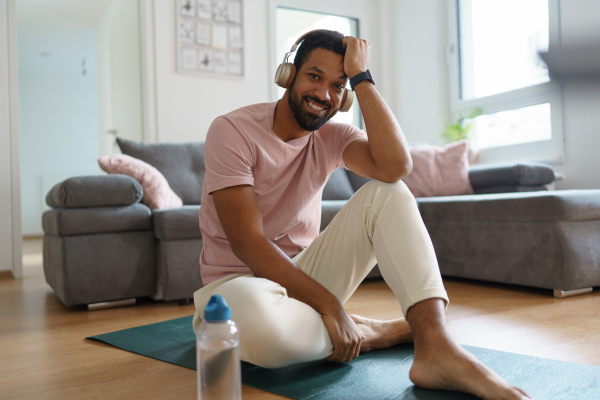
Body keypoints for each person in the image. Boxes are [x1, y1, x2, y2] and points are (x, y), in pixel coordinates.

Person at [192, 29, 530, 400]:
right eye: (314, 76)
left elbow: (396, 167)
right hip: (236, 288)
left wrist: (362, 78)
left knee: (390, 193)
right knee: (265, 337)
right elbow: (247, 242)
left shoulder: (334, 136)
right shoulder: (232, 130)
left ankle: (436, 347)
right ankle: (373, 333)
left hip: (305, 275)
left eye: (338, 86)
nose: (323, 95)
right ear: (289, 75)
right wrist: (330, 306)